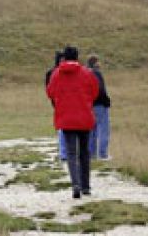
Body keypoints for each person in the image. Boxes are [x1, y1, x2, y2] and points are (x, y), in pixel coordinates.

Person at [47, 45, 99, 199]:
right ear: (77, 57)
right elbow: (95, 91)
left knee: (71, 153)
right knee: (84, 152)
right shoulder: (86, 73)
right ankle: (86, 186)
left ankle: (75, 185)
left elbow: (50, 92)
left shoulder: (57, 74)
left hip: (66, 117)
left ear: (64, 57)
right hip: (84, 116)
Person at [87, 54, 111, 160]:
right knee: (103, 129)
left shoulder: (85, 74)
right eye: (98, 61)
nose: (99, 63)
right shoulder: (97, 73)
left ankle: (91, 154)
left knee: (92, 131)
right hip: (100, 105)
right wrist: (106, 100)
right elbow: (100, 89)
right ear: (95, 63)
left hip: (89, 105)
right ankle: (103, 153)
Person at [46, 50, 67, 161]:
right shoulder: (53, 73)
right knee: (62, 128)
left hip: (64, 102)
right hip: (59, 103)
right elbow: (49, 90)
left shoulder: (56, 72)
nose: (63, 62)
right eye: (61, 60)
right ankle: (63, 152)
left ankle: (64, 152)